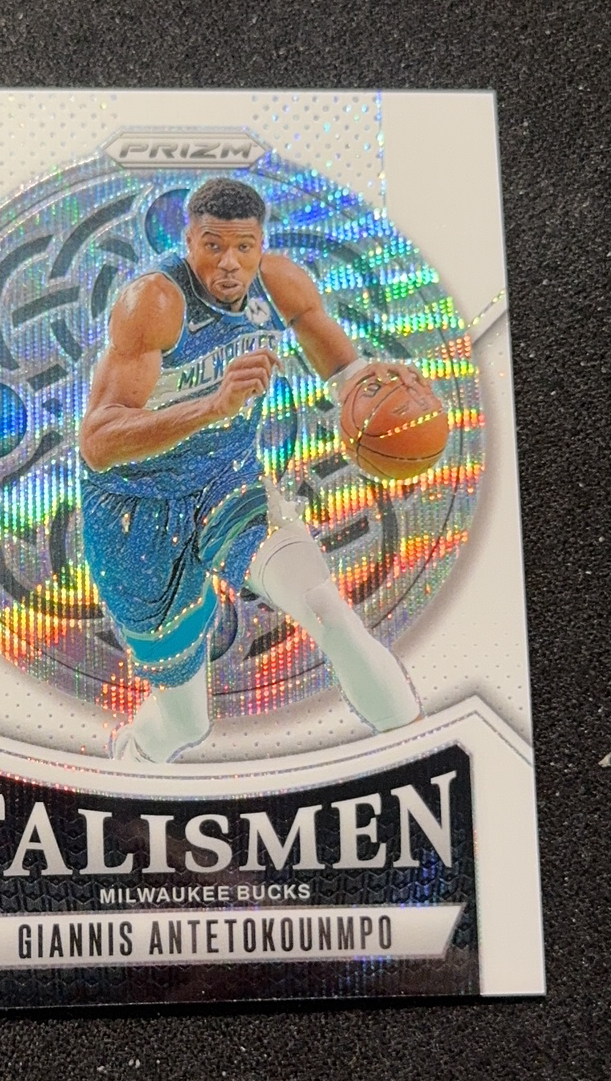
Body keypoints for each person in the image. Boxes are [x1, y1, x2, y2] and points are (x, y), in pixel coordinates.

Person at [79, 178, 424, 763]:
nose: (229, 263)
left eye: (244, 247)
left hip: (226, 482)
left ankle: (416, 750)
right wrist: (211, 407)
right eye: (213, 246)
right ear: (189, 241)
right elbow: (97, 443)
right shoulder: (154, 303)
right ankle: (132, 768)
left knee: (327, 609)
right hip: (134, 511)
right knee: (185, 722)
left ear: (261, 244)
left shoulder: (279, 282)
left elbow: (344, 373)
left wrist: (374, 385)